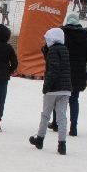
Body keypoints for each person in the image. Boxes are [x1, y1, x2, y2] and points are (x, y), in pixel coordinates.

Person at [28, 26, 73, 154]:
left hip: (53, 88)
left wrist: (46, 86)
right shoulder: (65, 50)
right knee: (62, 117)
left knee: (46, 114)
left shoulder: (53, 51)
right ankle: (62, 144)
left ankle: (40, 139)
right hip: (65, 89)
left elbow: (53, 69)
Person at [61, 13, 87, 137]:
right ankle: (73, 126)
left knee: (60, 98)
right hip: (79, 73)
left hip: (63, 71)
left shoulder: (62, 34)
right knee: (74, 99)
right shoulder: (86, 37)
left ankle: (56, 123)